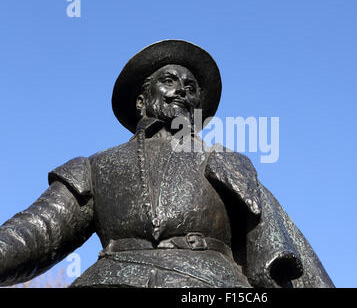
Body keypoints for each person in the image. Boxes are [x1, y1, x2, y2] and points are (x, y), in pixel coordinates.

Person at [0, 40, 334, 288]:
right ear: (142, 99)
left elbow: (279, 247)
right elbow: (36, 232)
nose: (182, 92)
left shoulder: (226, 163)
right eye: (169, 81)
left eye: (191, 88)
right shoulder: (95, 167)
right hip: (111, 279)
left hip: (207, 284)